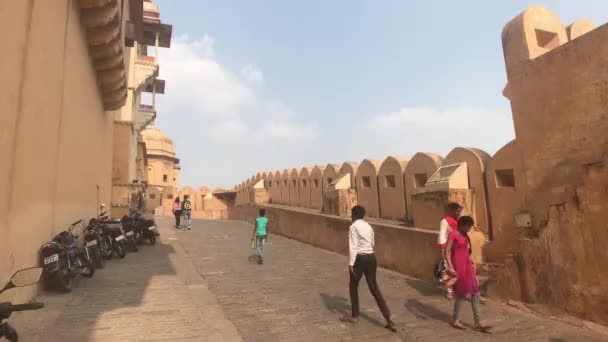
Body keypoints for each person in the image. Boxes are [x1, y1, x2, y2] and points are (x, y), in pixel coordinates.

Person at [340, 205, 397, 332]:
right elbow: (372, 243)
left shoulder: (353, 226)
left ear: (353, 215)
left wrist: (350, 263)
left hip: (360, 258)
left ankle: (355, 315)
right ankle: (388, 319)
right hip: (371, 257)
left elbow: (353, 246)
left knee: (353, 285)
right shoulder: (368, 226)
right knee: (374, 288)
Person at [445, 216, 491, 332]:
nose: (469, 228)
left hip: (467, 267)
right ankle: (455, 319)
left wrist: (470, 262)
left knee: (476, 292)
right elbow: (447, 251)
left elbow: (465, 251)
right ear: (462, 225)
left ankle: (478, 322)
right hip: (458, 268)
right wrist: (450, 266)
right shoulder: (453, 234)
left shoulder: (465, 235)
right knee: (461, 294)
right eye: (468, 226)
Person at [437, 202, 462, 299]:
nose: (459, 213)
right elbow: (442, 237)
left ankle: (459, 288)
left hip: (458, 248)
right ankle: (449, 290)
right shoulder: (445, 221)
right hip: (448, 248)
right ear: (452, 211)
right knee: (449, 269)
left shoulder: (460, 221)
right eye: (457, 211)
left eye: (460, 211)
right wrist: (443, 250)